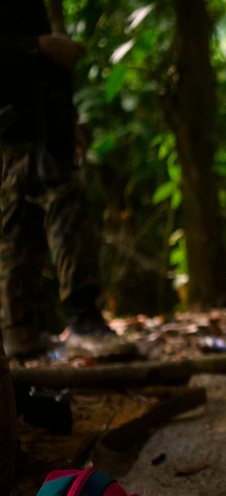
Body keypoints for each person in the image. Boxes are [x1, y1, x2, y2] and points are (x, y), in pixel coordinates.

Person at [0, 0, 134, 360]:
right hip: (13, 132)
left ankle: (20, 330)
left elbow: (47, 68)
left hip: (42, 125)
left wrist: (69, 118)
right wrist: (39, 46)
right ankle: (81, 321)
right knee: (62, 201)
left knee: (19, 224)